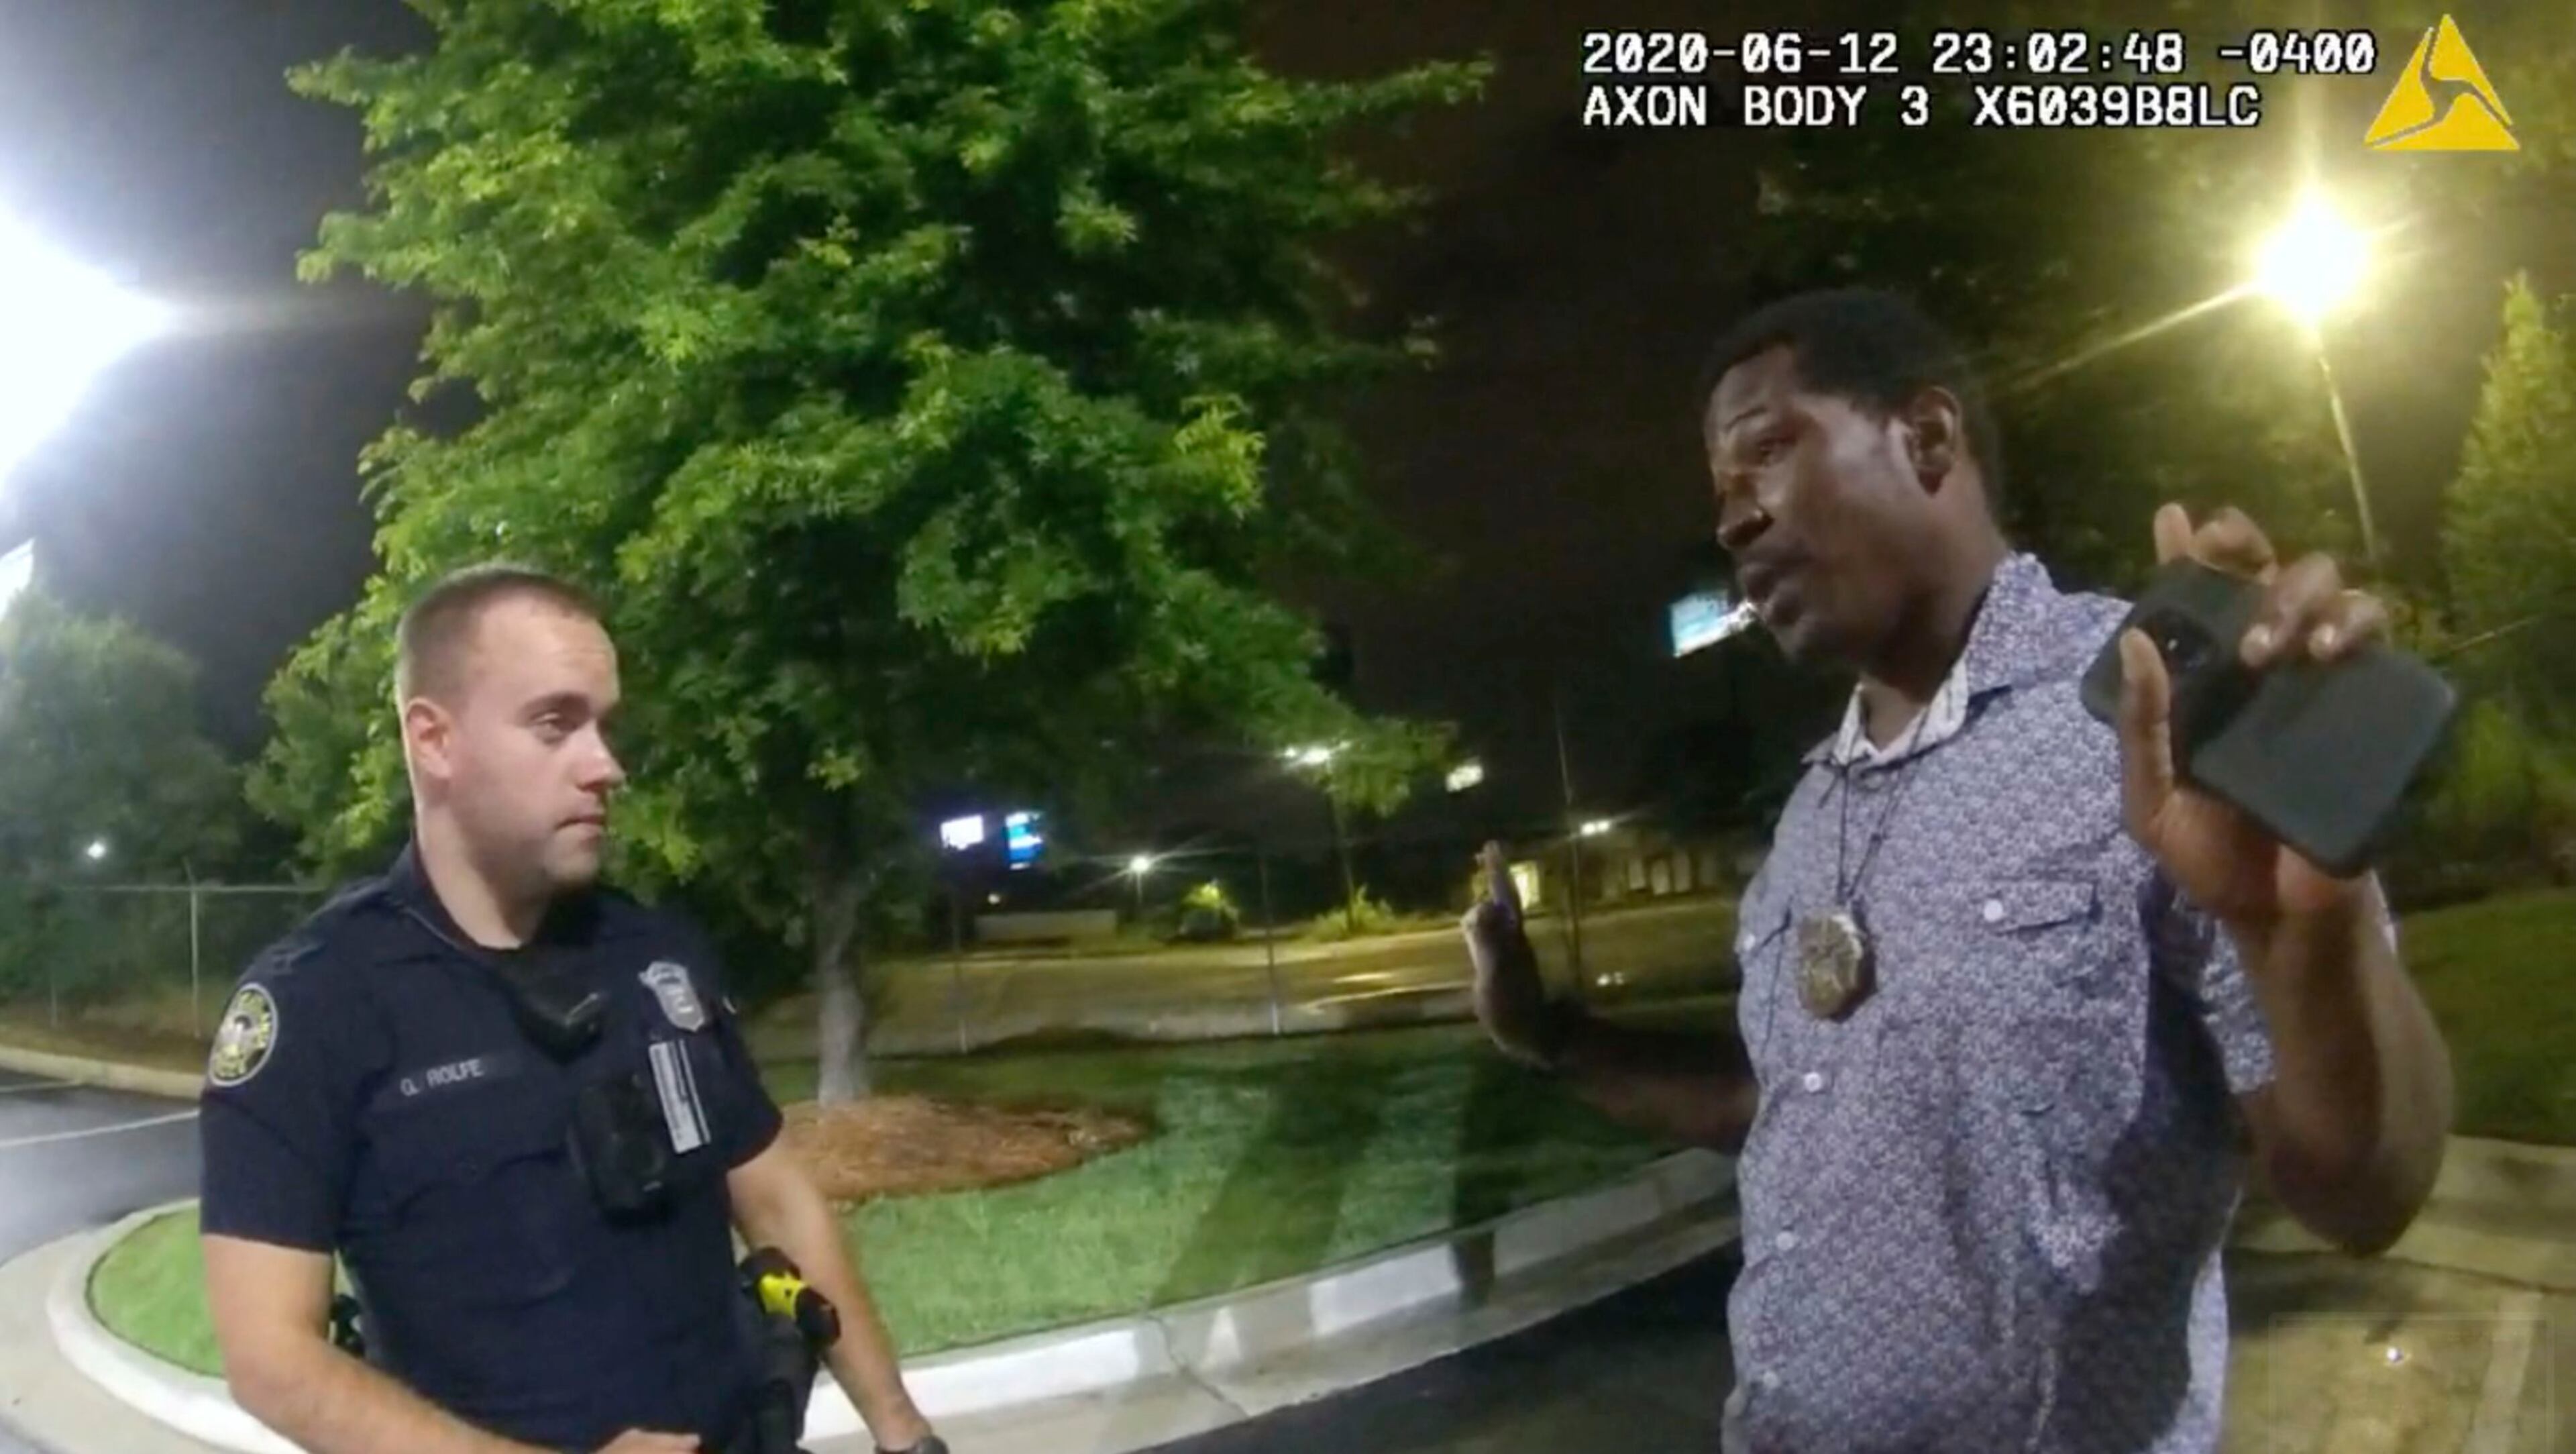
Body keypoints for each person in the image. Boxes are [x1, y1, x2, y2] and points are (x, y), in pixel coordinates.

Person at [1462, 288, 2456, 1453]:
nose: (1733, 522)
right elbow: (1789, 1109)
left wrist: (2306, 944)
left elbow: (2366, 1189)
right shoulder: (1808, 816)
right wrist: (1549, 1036)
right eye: (1721, 489)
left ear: (1926, 439)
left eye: (1767, 453)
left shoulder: (2155, 719)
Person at [198, 565, 946, 1454]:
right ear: (434, 741)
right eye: (555, 723)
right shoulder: (315, 1005)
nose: (606, 767)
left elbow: (777, 1199)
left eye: (604, 725)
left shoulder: (656, 954)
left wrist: (903, 1434)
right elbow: (271, 1359)